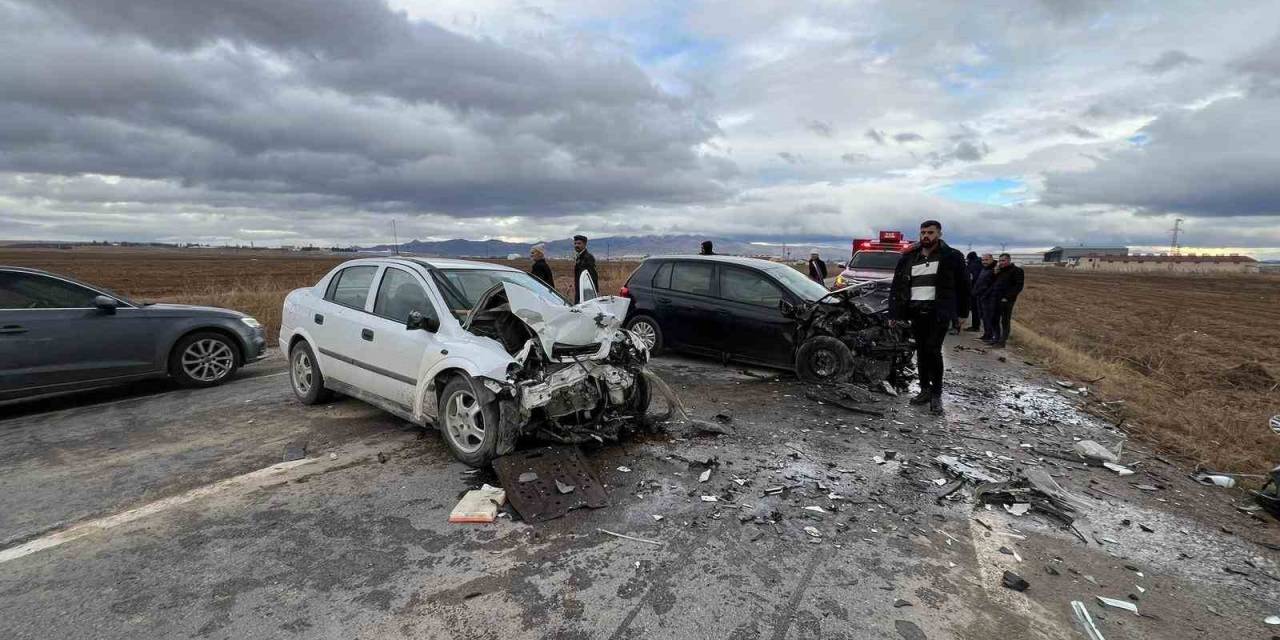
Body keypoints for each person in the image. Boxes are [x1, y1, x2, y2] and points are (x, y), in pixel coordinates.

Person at [889, 220, 970, 415]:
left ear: (939, 234)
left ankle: (936, 394)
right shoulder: (909, 258)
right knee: (922, 352)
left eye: (930, 232)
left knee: (933, 350)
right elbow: (897, 286)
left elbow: (964, 286)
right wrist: (895, 313)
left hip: (938, 312)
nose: (926, 236)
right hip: (916, 312)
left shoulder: (952, 256)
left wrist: (962, 313)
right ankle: (924, 389)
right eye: (923, 232)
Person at [984, 253, 1024, 348]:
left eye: (1003, 260)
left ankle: (1002, 342)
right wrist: (994, 273)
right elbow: (990, 282)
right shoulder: (999, 271)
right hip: (995, 298)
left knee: (1005, 320)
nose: (1001, 263)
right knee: (994, 319)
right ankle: (996, 338)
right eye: (1000, 261)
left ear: (1009, 260)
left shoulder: (1017, 271)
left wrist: (1007, 297)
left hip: (1007, 300)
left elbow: (1018, 286)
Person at [973, 254, 997, 341]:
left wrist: (984, 294)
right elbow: (980, 282)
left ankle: (990, 335)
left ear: (991, 259)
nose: (984, 262)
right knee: (983, 317)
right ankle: (986, 334)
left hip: (988, 298)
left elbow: (992, 285)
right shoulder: (984, 269)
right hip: (980, 296)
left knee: (988, 317)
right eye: (983, 260)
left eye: (986, 260)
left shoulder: (994, 269)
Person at [572, 234, 599, 303]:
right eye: (575, 243)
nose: (576, 245)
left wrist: (593, 292)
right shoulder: (579, 257)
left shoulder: (588, 258)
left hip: (586, 292)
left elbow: (593, 276)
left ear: (584, 244)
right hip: (580, 290)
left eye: (579, 243)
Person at [964, 251, 983, 331]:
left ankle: (975, 326)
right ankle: (976, 326)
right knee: (977, 309)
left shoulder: (973, 265)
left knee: (975, 309)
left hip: (974, 290)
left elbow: (972, 278)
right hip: (980, 290)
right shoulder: (980, 263)